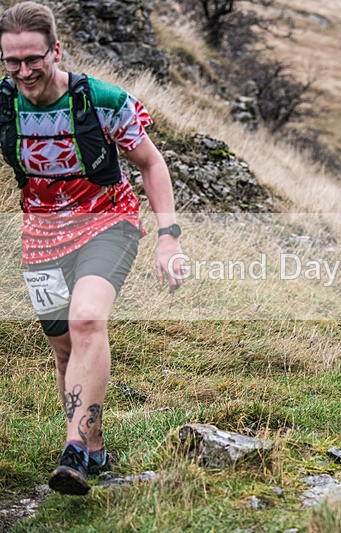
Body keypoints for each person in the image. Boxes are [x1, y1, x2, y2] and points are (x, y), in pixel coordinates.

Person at [0, 1, 184, 495]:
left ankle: (73, 449)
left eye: (33, 59)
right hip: (39, 234)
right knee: (65, 351)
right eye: (11, 62)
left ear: (55, 50)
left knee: (86, 320)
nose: (23, 71)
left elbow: (151, 164)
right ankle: (95, 449)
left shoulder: (102, 100)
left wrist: (168, 237)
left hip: (108, 222)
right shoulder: (3, 103)